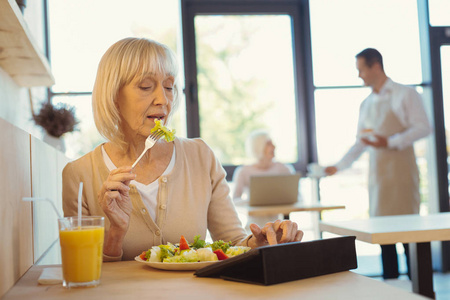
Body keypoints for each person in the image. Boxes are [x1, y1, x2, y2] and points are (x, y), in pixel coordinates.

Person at [62, 37, 303, 262]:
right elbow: (83, 269)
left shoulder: (200, 156)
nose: (163, 100)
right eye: (146, 86)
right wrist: (115, 233)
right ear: (114, 95)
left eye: (168, 87)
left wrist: (259, 242)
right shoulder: (79, 175)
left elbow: (233, 242)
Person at [324, 48, 432, 279]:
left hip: (402, 175)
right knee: (384, 235)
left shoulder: (405, 94)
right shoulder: (366, 104)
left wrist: (391, 141)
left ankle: (418, 283)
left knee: (408, 232)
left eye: (361, 70)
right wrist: (339, 166)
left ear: (375, 66)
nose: (359, 75)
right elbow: (361, 142)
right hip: (379, 177)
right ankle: (391, 283)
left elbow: (424, 127)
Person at [232, 130, 296, 226]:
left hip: (280, 226)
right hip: (253, 228)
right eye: (269, 144)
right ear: (258, 146)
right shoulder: (243, 171)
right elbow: (234, 201)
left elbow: (298, 197)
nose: (274, 147)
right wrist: (254, 201)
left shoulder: (284, 169)